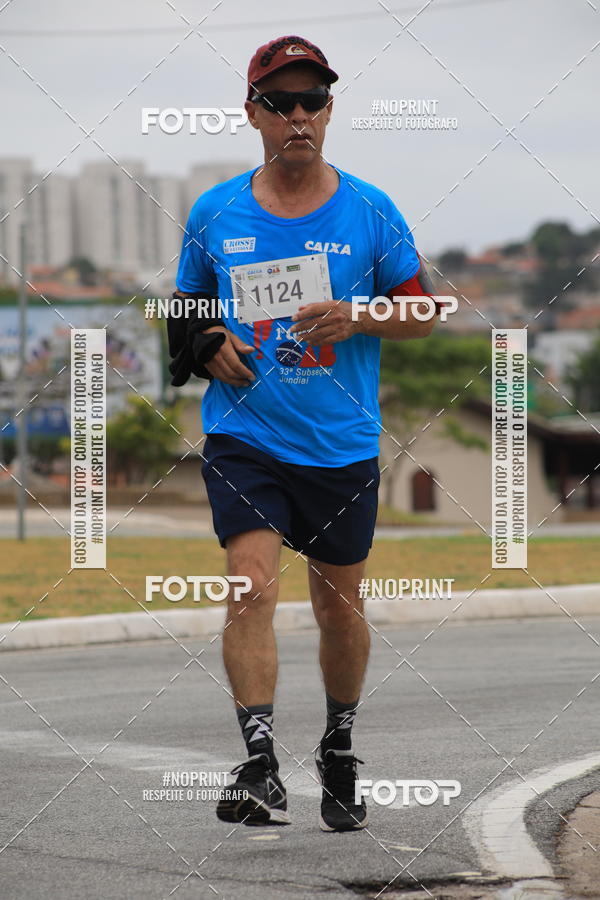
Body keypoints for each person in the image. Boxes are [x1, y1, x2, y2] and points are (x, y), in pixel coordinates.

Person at [173, 35, 438, 832]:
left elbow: (425, 313)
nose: (298, 116)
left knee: (340, 608)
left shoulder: (371, 210)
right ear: (252, 113)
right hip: (245, 435)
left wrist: (360, 314)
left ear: (329, 110)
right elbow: (183, 311)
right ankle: (258, 764)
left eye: (312, 101)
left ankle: (338, 748)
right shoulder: (215, 211)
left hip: (340, 445)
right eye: (280, 102)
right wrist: (202, 344)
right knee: (249, 582)